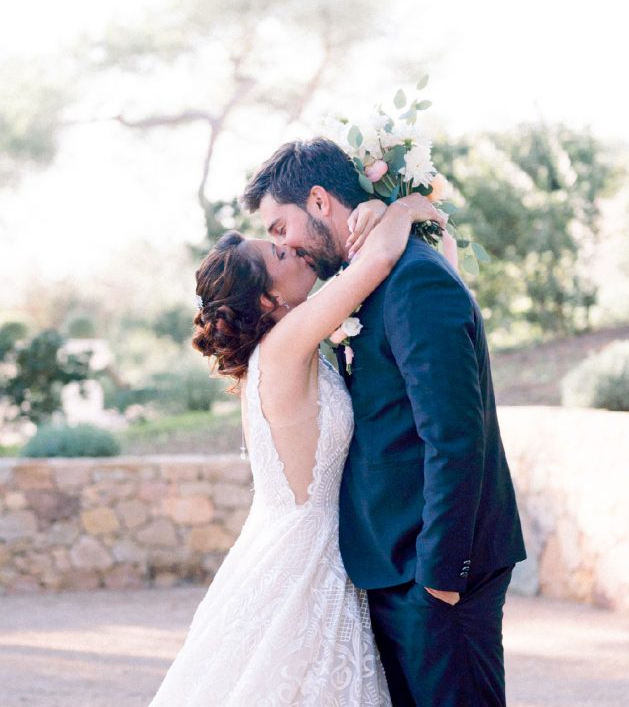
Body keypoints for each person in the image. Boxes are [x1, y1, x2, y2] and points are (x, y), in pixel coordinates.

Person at [243, 137, 527, 707]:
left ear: (319, 201)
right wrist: (401, 211)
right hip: (390, 568)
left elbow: (454, 436)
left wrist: (441, 577)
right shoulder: (365, 281)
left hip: (434, 573)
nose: (286, 245)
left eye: (280, 228)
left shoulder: (413, 279)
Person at [146, 182, 445, 706]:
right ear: (269, 299)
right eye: (280, 254)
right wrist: (407, 206)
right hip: (305, 554)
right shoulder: (285, 344)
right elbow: (377, 260)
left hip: (294, 541)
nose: (294, 249)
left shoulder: (285, 346)